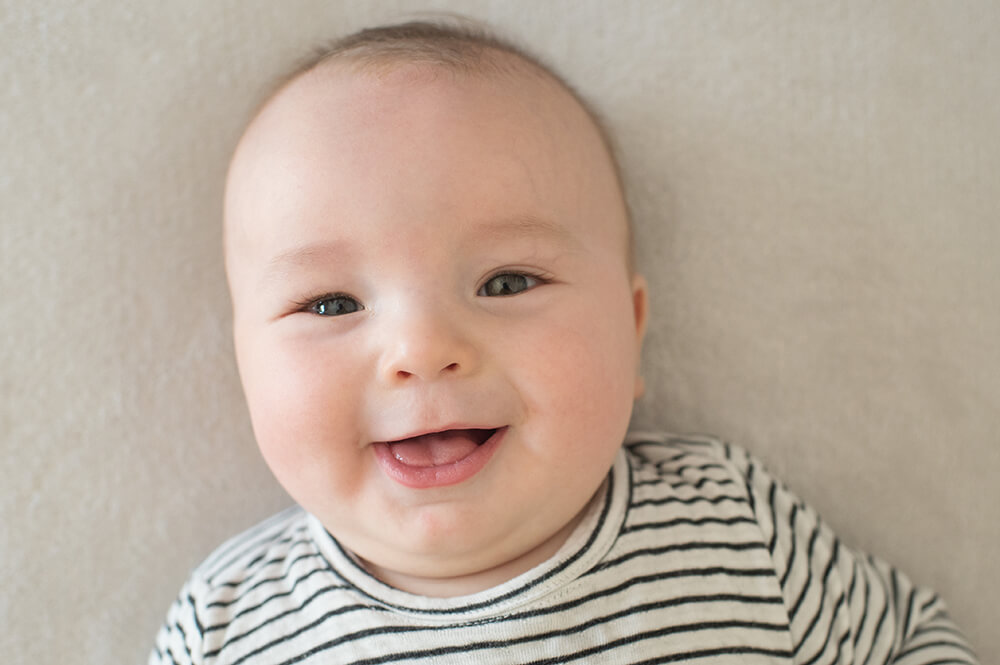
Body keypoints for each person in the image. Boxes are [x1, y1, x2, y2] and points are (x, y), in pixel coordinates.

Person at [150, 20, 978, 665]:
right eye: (330, 302)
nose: (422, 348)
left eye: (506, 282)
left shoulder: (731, 528)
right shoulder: (230, 618)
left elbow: (912, 641)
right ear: (243, 364)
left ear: (633, 326)